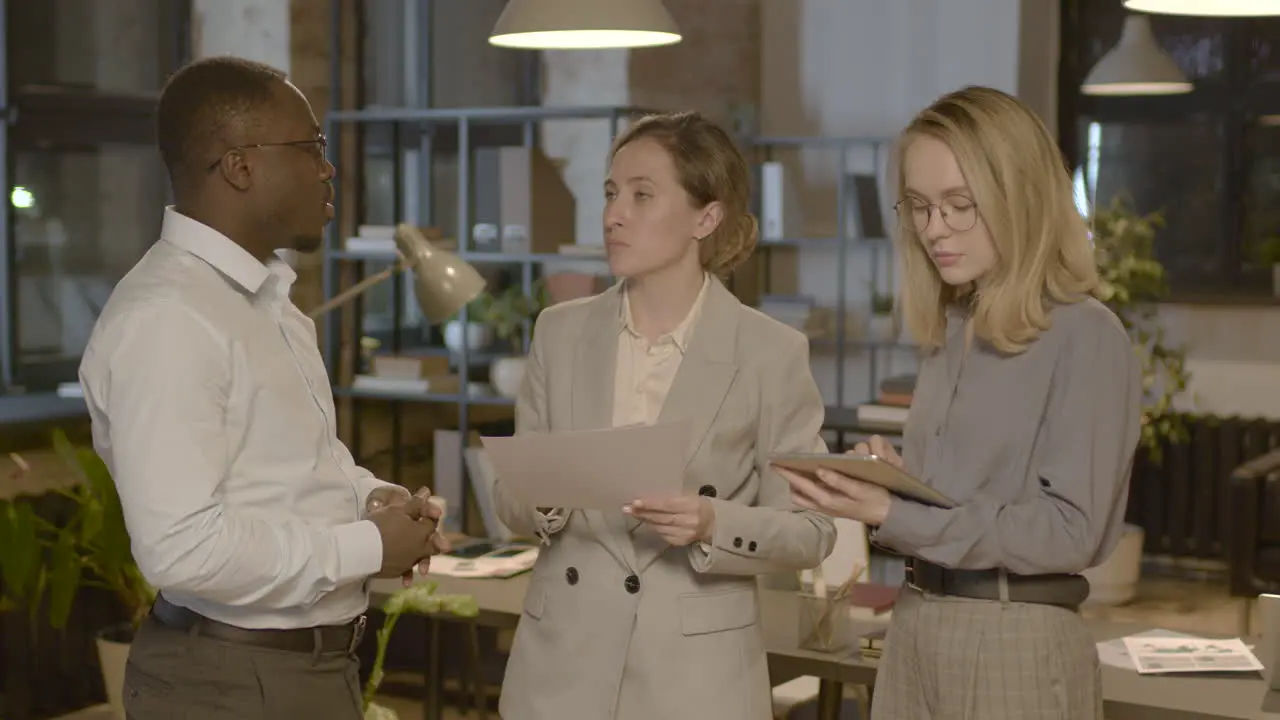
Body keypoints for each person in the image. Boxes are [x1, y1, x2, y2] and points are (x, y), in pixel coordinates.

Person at [78, 56, 446, 719]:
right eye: (312, 148)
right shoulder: (170, 318)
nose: (329, 169)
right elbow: (181, 549)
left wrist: (371, 498)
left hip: (305, 669)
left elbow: (288, 469)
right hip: (233, 681)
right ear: (240, 165)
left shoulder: (268, 301)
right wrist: (368, 546)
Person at [779, 85, 1142, 719]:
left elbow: (1069, 532)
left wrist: (893, 511)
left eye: (958, 205)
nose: (932, 229)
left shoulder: (1086, 336)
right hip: (916, 622)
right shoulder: (952, 328)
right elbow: (967, 504)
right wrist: (895, 485)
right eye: (918, 206)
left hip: (1015, 638)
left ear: (1019, 198)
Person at [490, 111, 836, 720]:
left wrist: (711, 522)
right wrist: (546, 497)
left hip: (695, 681)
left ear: (707, 217)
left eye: (642, 195)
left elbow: (812, 532)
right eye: (610, 193)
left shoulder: (770, 353)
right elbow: (509, 498)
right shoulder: (559, 331)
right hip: (561, 668)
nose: (613, 215)